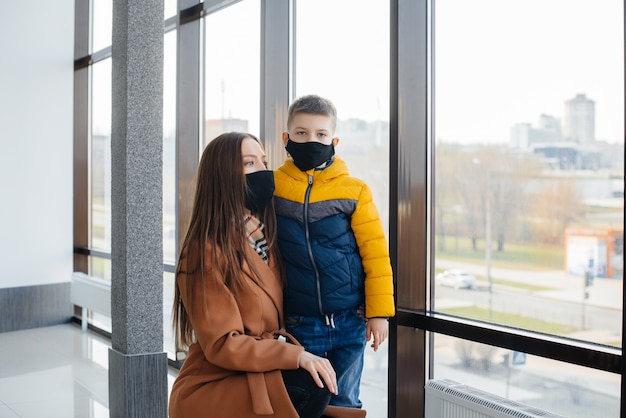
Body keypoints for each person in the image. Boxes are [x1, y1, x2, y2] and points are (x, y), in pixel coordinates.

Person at [169, 132, 338, 418]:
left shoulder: (263, 237)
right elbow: (223, 344)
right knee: (312, 385)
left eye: (264, 161)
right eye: (249, 164)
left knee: (322, 378)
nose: (263, 171)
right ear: (222, 177)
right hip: (215, 384)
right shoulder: (204, 249)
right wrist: (295, 355)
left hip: (254, 373)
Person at [273, 95, 396, 410]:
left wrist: (378, 313)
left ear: (334, 140)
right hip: (300, 322)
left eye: (320, 135)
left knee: (344, 404)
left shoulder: (355, 190)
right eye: (301, 133)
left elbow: (376, 256)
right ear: (286, 138)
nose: (311, 140)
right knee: (305, 405)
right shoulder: (272, 187)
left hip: (348, 321)